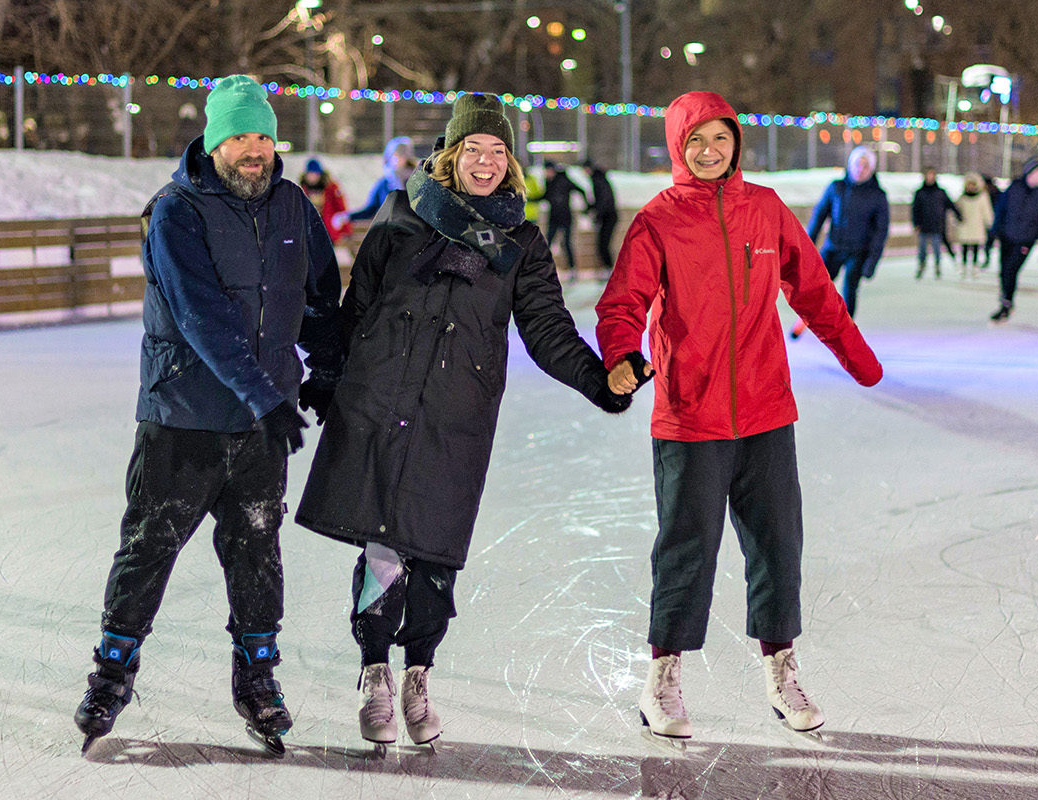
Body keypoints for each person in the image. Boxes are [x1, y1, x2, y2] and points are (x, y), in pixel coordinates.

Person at [294, 93, 636, 749]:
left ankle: (418, 672)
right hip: (383, 401)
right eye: (473, 149)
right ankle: (374, 673)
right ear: (451, 154)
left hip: (456, 415)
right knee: (383, 547)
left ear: (510, 163)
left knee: (435, 553)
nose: (485, 161)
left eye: (497, 151)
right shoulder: (401, 216)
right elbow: (355, 308)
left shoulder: (522, 243)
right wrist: (330, 381)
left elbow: (547, 330)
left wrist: (602, 382)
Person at [595, 91, 883, 744]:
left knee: (779, 544)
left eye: (719, 139)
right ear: (678, 147)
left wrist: (857, 359)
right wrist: (621, 355)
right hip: (689, 418)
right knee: (685, 551)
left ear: (736, 145)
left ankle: (781, 668)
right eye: (695, 141)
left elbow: (814, 291)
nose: (708, 151)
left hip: (764, 413)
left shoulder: (765, 210)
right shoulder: (658, 220)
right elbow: (623, 303)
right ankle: (661, 677)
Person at [71, 75, 344, 755]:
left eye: (262, 136)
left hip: (260, 426)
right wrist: (266, 396)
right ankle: (111, 673)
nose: (254, 150)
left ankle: (257, 679)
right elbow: (200, 317)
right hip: (183, 416)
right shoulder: (176, 211)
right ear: (213, 141)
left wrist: (326, 369)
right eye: (239, 137)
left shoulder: (291, 207)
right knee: (150, 547)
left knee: (257, 551)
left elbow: (317, 300)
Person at [806, 145, 889, 317]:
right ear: (850, 165)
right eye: (858, 164)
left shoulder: (878, 195)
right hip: (834, 246)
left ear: (871, 170)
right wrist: (807, 243)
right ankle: (813, 316)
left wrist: (872, 262)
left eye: (866, 166)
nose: (861, 169)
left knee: (850, 285)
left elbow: (881, 231)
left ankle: (847, 325)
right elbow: (819, 215)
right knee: (819, 282)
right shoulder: (836, 188)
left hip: (859, 251)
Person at [988, 157, 1038, 323]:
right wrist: (993, 232)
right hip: (1007, 236)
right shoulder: (1015, 188)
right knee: (1004, 271)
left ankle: (1006, 304)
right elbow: (1000, 209)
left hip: (1026, 240)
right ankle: (1005, 300)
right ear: (1030, 173)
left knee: (1011, 270)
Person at [342, 136, 418, 225]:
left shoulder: (417, 181)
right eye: (394, 155)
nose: (396, 159)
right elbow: (371, 209)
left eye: (401, 156)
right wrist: (348, 216)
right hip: (390, 232)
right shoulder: (385, 183)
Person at [533, 160, 589, 274]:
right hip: (553, 217)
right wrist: (533, 200)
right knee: (548, 243)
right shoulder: (548, 181)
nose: (547, 173)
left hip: (565, 216)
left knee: (566, 243)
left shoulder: (564, 180)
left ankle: (573, 269)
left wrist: (586, 205)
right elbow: (547, 196)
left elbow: (581, 190)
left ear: (552, 170)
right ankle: (543, 269)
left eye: (548, 171)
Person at [911, 166, 960, 280]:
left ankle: (937, 268)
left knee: (937, 249)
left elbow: (950, 205)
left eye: (931, 175)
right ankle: (921, 266)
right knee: (922, 249)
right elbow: (915, 209)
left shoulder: (940, 192)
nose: (930, 177)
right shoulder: (920, 193)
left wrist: (958, 215)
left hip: (937, 225)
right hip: (923, 225)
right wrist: (916, 223)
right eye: (928, 175)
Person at [953, 173, 995, 277]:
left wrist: (990, 223)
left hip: (977, 226)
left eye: (972, 184)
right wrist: (957, 219)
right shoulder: (962, 198)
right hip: (965, 225)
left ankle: (975, 267)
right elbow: (957, 210)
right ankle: (963, 266)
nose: (970, 187)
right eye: (969, 185)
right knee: (965, 247)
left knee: (976, 247)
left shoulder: (982, 197)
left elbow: (987, 211)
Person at [583, 158, 620, 275]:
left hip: (608, 216)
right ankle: (608, 268)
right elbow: (600, 200)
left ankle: (609, 269)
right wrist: (590, 208)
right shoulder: (599, 178)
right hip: (607, 215)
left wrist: (597, 213)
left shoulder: (597, 179)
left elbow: (604, 200)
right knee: (602, 243)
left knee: (603, 243)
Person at [301, 157, 351, 244]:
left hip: (329, 231)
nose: (312, 177)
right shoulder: (303, 189)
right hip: (310, 231)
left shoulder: (331, 188)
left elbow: (341, 208)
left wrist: (346, 230)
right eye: (310, 174)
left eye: (315, 174)